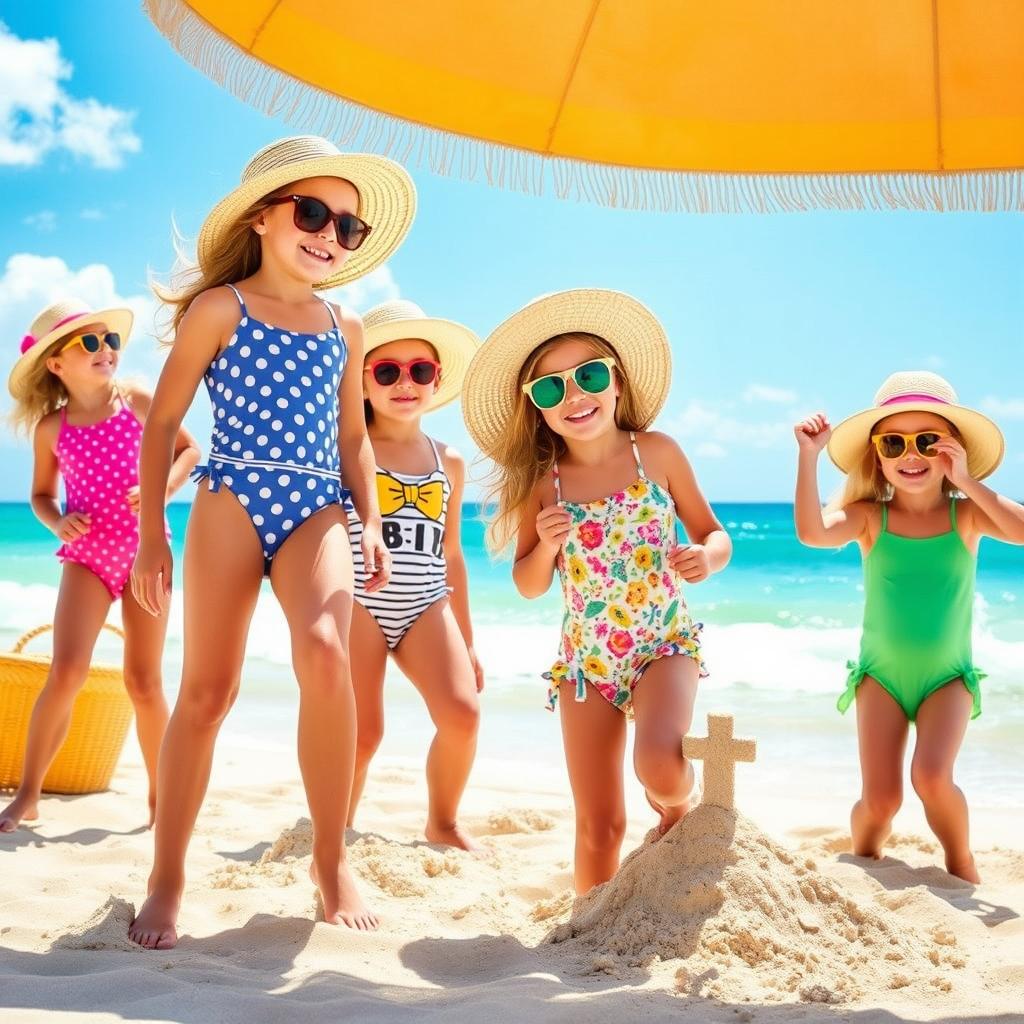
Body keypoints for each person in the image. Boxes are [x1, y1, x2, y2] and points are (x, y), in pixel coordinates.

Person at [128, 136, 416, 947]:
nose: (330, 234)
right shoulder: (221, 309)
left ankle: (330, 858)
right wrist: (153, 533)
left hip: (317, 506)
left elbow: (352, 439)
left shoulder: (345, 325)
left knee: (327, 652)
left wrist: (370, 521)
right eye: (314, 212)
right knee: (208, 693)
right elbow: (162, 426)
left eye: (348, 227)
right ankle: (168, 876)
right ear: (263, 216)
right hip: (230, 496)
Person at [463, 289, 730, 894]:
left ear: (616, 383)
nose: (574, 396)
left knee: (660, 766)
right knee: (598, 822)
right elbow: (529, 585)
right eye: (551, 389)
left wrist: (705, 559)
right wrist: (548, 544)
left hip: (663, 643)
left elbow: (714, 532)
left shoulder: (656, 454)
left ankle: (676, 809)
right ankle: (589, 922)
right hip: (587, 663)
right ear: (536, 409)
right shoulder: (544, 484)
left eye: (586, 376)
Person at [794, 370, 1024, 882]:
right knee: (880, 801)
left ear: (952, 450)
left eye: (927, 442)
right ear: (877, 455)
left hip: (947, 678)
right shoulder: (868, 517)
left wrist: (966, 482)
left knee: (932, 776)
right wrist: (809, 456)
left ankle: (961, 862)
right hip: (881, 679)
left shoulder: (967, 516)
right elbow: (811, 533)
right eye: (893, 443)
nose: (910, 455)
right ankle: (863, 856)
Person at [2, 299, 198, 832]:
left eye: (109, 340)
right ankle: (28, 794)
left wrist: (163, 488)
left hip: (145, 552)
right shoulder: (51, 429)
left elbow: (187, 450)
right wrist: (54, 522)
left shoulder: (134, 401)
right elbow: (42, 495)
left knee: (144, 681)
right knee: (65, 672)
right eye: (89, 343)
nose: (106, 350)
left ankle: (161, 797)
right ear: (55, 363)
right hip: (87, 558)